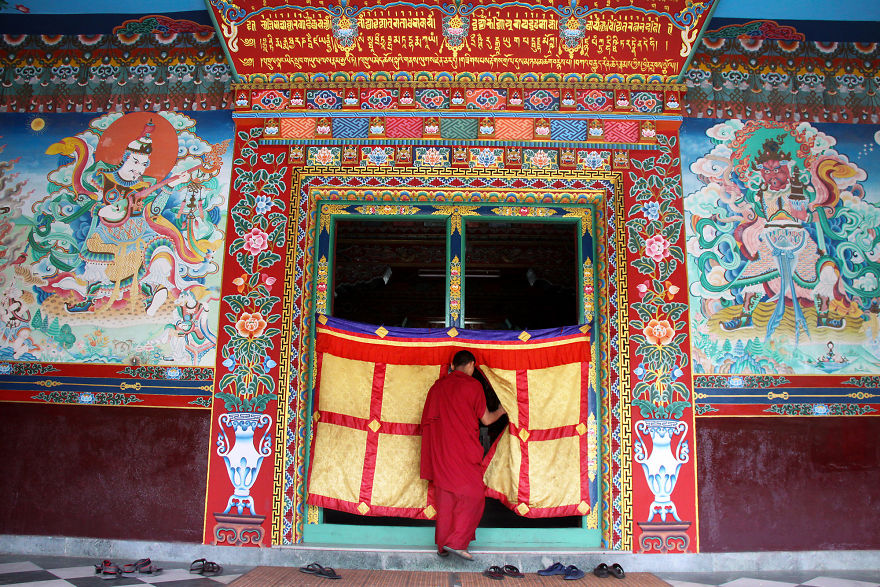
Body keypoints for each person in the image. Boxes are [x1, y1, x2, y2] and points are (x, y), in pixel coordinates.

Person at [420, 349, 506, 560]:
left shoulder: (437, 387)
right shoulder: (473, 385)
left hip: (440, 451)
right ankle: (456, 542)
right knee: (475, 496)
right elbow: (486, 420)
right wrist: (502, 410)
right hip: (463, 451)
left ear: (453, 366)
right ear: (471, 365)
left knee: (446, 498)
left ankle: (442, 546)